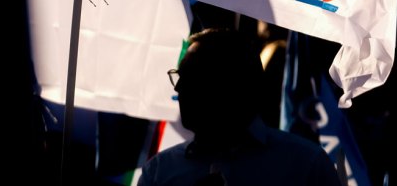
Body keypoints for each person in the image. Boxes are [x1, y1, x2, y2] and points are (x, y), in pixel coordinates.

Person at [138, 27, 339, 185]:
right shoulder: (159, 171)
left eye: (193, 78)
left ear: (235, 84)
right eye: (180, 76)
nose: (179, 89)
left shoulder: (305, 166)